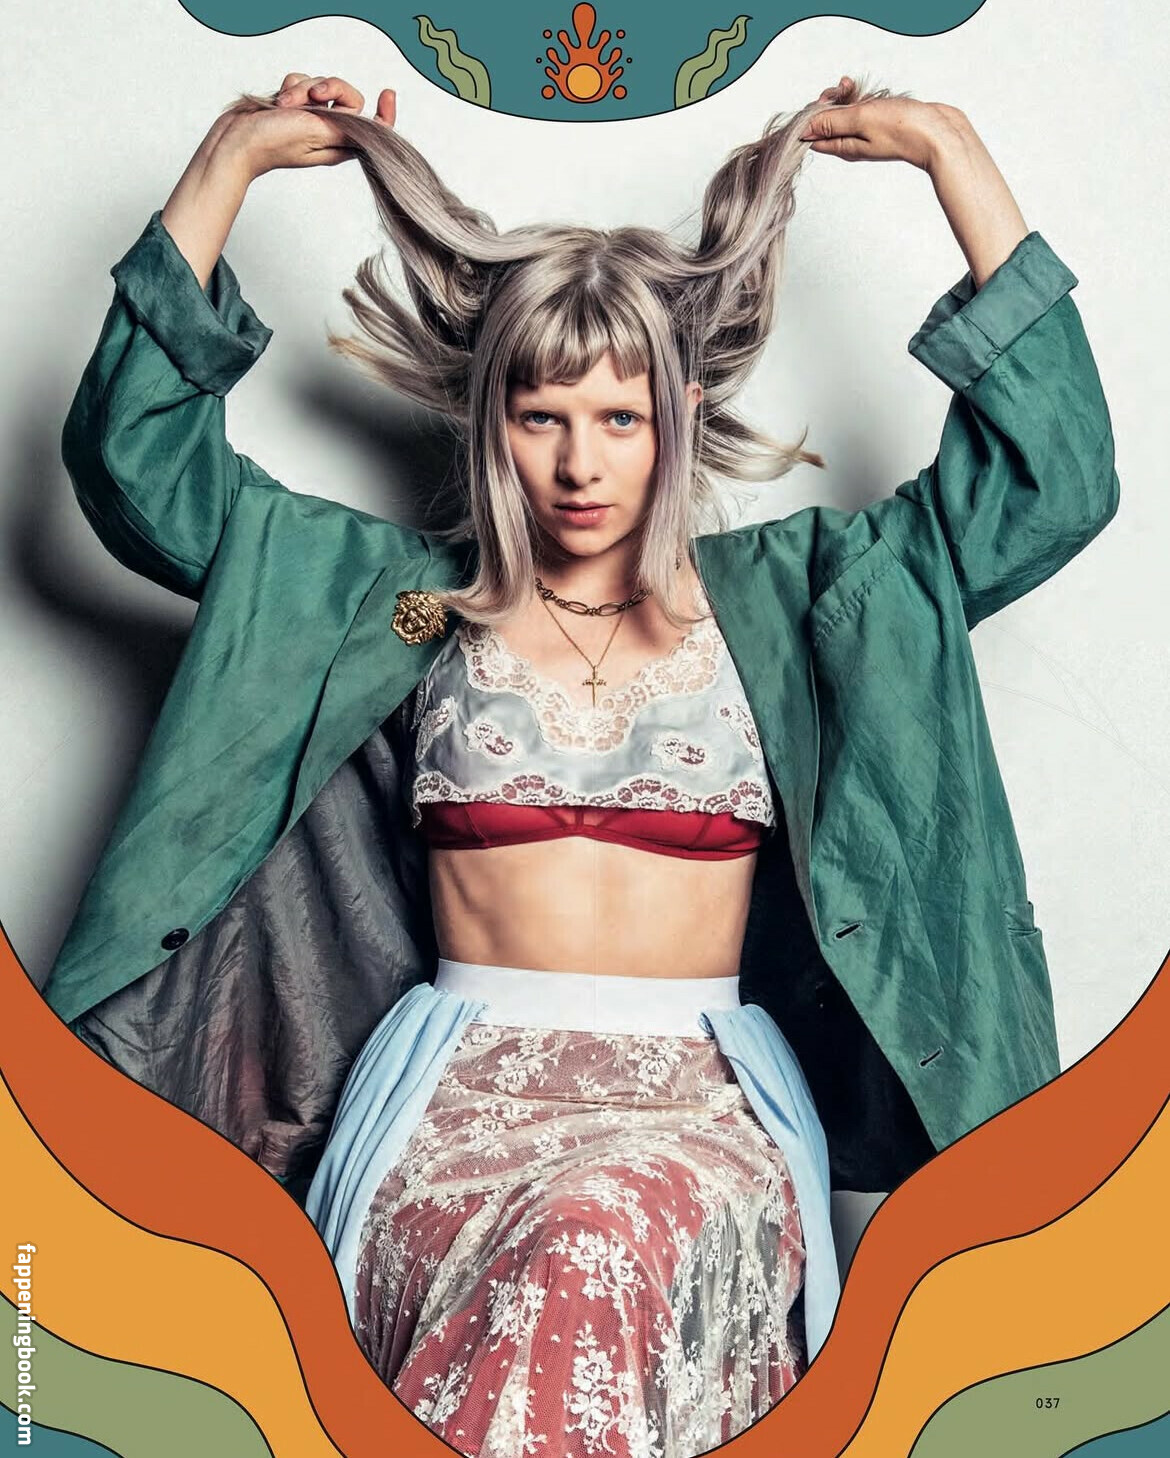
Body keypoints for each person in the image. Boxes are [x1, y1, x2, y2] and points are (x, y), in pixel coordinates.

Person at [41, 69, 1118, 1458]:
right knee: (555, 1244)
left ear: (678, 417)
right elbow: (136, 469)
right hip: (452, 1094)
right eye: (540, 415)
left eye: (620, 418)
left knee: (598, 1227)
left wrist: (951, 155)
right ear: (489, 421)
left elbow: (1051, 484)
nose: (578, 464)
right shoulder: (395, 605)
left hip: (702, 1104)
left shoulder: (800, 599)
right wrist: (224, 168)